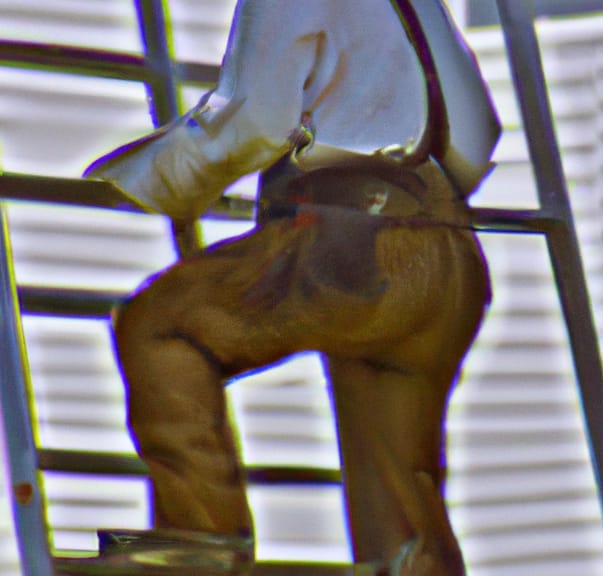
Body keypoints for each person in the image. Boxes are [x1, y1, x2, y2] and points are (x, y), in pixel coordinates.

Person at [83, 1, 500, 574]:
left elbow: (253, 119)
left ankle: (196, 548)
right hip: (447, 256)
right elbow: (480, 137)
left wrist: (149, 181)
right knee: (398, 491)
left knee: (161, 325)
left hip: (353, 243)